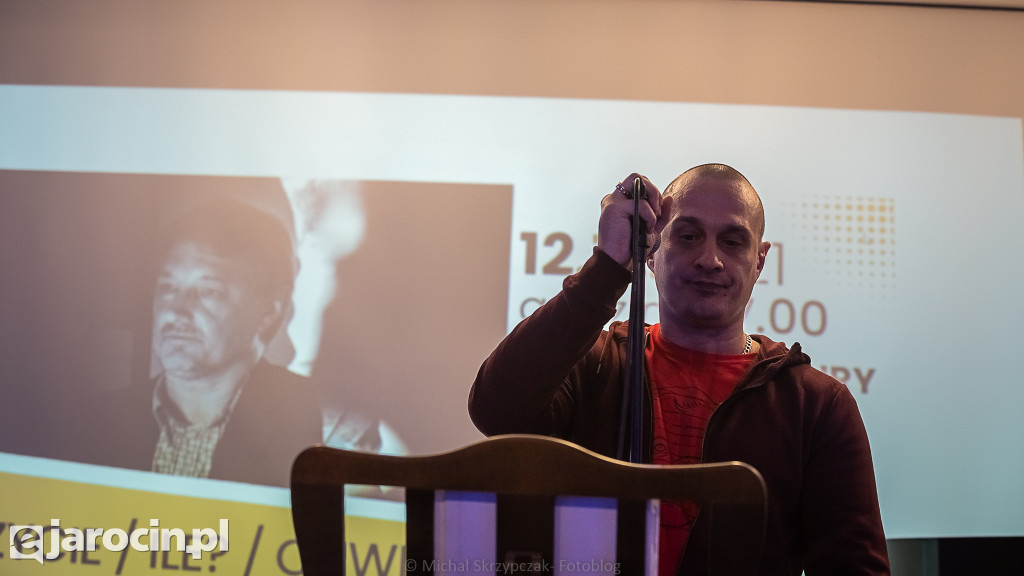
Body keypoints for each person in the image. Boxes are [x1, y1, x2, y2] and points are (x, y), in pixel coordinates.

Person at [469, 165, 890, 575]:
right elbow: (496, 410)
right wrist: (608, 268)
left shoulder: (814, 403)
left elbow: (854, 565)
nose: (710, 259)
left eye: (732, 242)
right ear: (651, 251)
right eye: (688, 237)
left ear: (760, 261)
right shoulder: (595, 364)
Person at [81, 198, 322, 487]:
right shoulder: (94, 423)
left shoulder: (319, 425)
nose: (175, 311)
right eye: (168, 287)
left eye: (209, 291)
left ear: (270, 309)